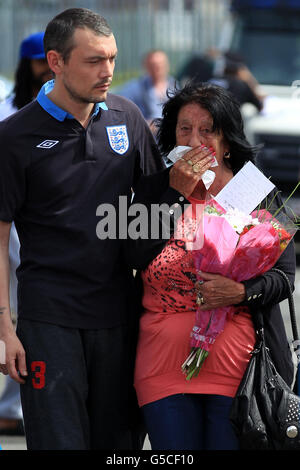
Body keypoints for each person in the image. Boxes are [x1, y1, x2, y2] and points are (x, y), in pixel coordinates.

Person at [0, 7, 168, 450]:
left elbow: (158, 211)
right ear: (55, 62)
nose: (108, 71)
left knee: (119, 446)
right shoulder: (14, 137)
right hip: (48, 320)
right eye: (94, 61)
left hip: (120, 316)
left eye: (112, 58)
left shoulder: (127, 117)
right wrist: (4, 327)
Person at [125, 83, 296, 450]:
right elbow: (132, 256)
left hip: (239, 371)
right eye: (185, 129)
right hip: (162, 368)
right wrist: (174, 195)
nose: (195, 139)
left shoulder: (255, 191)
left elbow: (284, 278)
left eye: (208, 130)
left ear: (228, 140)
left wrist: (242, 291)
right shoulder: (154, 190)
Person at [0, 31, 51, 437]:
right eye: (39, 61)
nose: (45, 69)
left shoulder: (67, 110)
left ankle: (15, 404)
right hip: (7, 225)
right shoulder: (6, 113)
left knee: (29, 315)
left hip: (44, 229)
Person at [118, 49, 176, 125]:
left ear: (167, 65)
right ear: (146, 66)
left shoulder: (174, 85)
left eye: (161, 64)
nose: (158, 69)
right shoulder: (135, 88)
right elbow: (120, 110)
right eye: (153, 65)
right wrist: (144, 125)